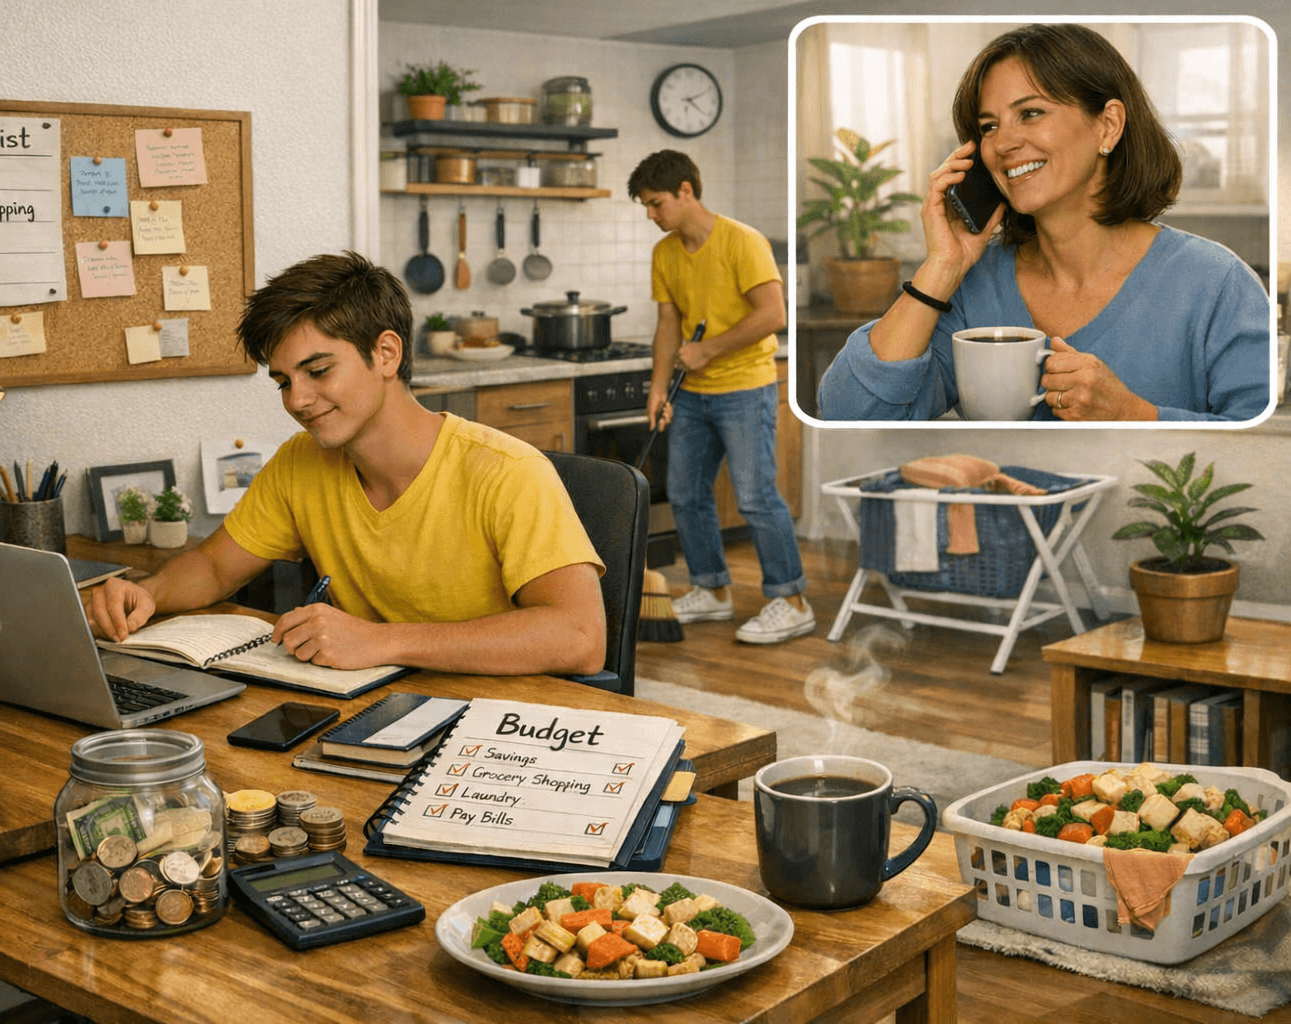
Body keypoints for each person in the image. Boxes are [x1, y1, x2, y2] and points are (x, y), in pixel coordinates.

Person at [86, 251, 606, 677]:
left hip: (505, 725)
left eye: (317, 371)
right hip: (375, 706)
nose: (297, 400)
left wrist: (381, 642)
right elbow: (217, 566)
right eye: (284, 381)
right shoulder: (300, 464)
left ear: (386, 354)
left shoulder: (507, 471)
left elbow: (580, 639)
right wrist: (147, 593)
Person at [818, 23, 1270, 423]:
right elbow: (848, 414)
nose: (1004, 143)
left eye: (1030, 113)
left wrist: (1134, 415)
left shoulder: (1215, 283)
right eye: (989, 126)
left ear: (1108, 126)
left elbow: (1266, 447)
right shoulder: (972, 288)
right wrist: (941, 268)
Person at [627, 150, 812, 644]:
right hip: (691, 396)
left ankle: (791, 599)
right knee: (685, 494)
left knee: (755, 497)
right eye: (645, 206)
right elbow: (668, 325)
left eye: (656, 203)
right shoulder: (665, 254)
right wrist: (659, 388)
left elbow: (773, 314)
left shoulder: (741, 241)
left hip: (745, 389)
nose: (651, 215)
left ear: (686, 190)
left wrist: (709, 348)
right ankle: (712, 591)